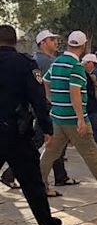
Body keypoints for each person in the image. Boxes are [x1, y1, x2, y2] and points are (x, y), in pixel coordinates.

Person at [0, 25, 80, 225]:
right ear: (14, 41)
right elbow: (38, 100)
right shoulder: (25, 64)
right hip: (16, 134)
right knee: (33, 186)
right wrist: (47, 128)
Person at [40, 31, 97, 197]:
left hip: (57, 116)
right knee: (90, 152)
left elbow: (46, 81)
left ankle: (39, 185)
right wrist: (80, 118)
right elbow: (75, 92)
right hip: (74, 119)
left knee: (50, 152)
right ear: (83, 46)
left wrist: (52, 99)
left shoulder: (57, 62)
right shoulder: (76, 67)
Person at [1, 29, 76, 189]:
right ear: (42, 43)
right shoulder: (43, 62)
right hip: (45, 108)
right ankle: (12, 175)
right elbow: (39, 88)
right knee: (38, 142)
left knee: (55, 142)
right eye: (51, 39)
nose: (55, 42)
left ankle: (60, 175)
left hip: (39, 108)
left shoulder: (44, 60)